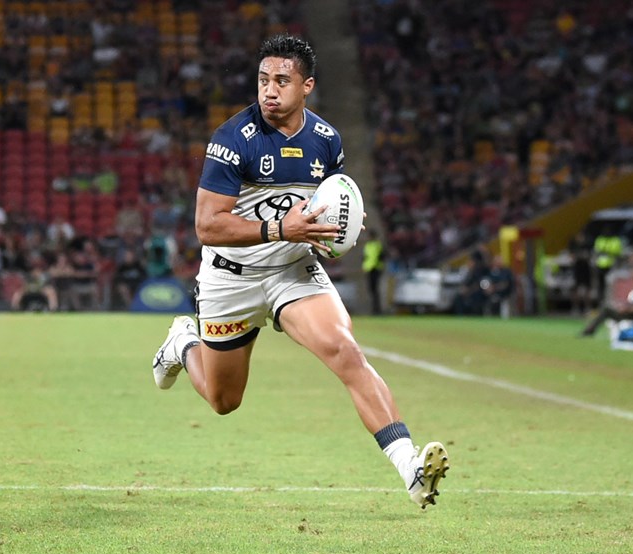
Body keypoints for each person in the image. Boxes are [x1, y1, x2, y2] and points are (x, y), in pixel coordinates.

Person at [151, 35, 449, 509]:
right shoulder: (232, 140)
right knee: (224, 400)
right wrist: (278, 227)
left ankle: (409, 465)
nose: (270, 91)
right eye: (264, 80)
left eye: (282, 81)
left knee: (346, 351)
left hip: (292, 269)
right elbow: (207, 226)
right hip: (232, 276)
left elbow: (330, 202)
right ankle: (183, 344)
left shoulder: (327, 141)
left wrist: (342, 224)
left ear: (306, 86)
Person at [580, 266, 633, 337]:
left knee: (606, 310)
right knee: (607, 309)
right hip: (631, 315)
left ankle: (590, 330)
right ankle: (590, 329)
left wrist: (624, 310)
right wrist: (623, 306)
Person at [361, 229, 385, 315]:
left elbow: (381, 256)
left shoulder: (377, 245)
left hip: (376, 269)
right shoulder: (368, 245)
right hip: (369, 269)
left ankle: (377, 309)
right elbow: (365, 257)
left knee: (375, 290)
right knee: (371, 290)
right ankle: (374, 308)